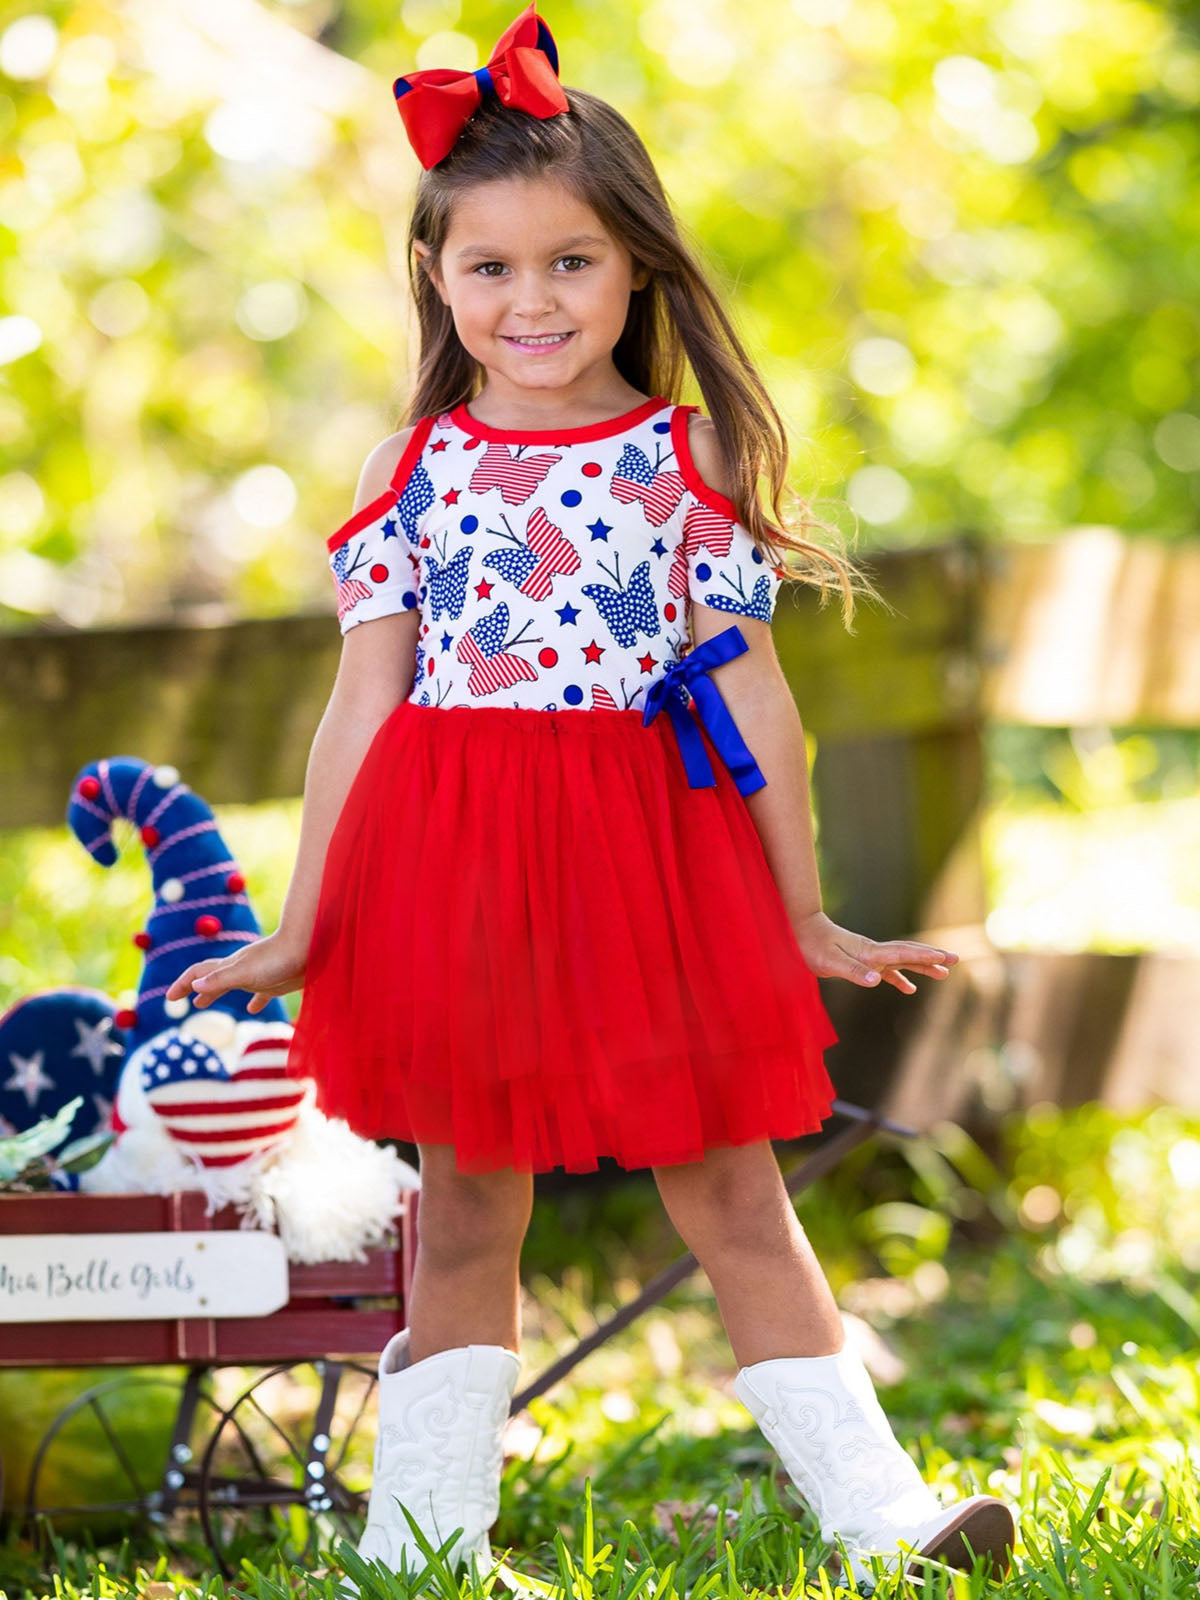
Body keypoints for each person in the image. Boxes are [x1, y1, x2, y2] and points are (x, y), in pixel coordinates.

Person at [165, 6, 1016, 1592]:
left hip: (649, 860)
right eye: (491, 265)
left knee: (733, 1187)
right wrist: (299, 923)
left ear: (637, 268)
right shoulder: (407, 472)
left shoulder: (682, 458)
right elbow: (359, 706)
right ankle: (423, 1548)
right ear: (438, 277)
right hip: (451, 863)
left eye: (572, 260)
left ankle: (885, 1521)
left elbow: (757, 694)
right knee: (466, 1208)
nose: (533, 298)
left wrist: (800, 910)